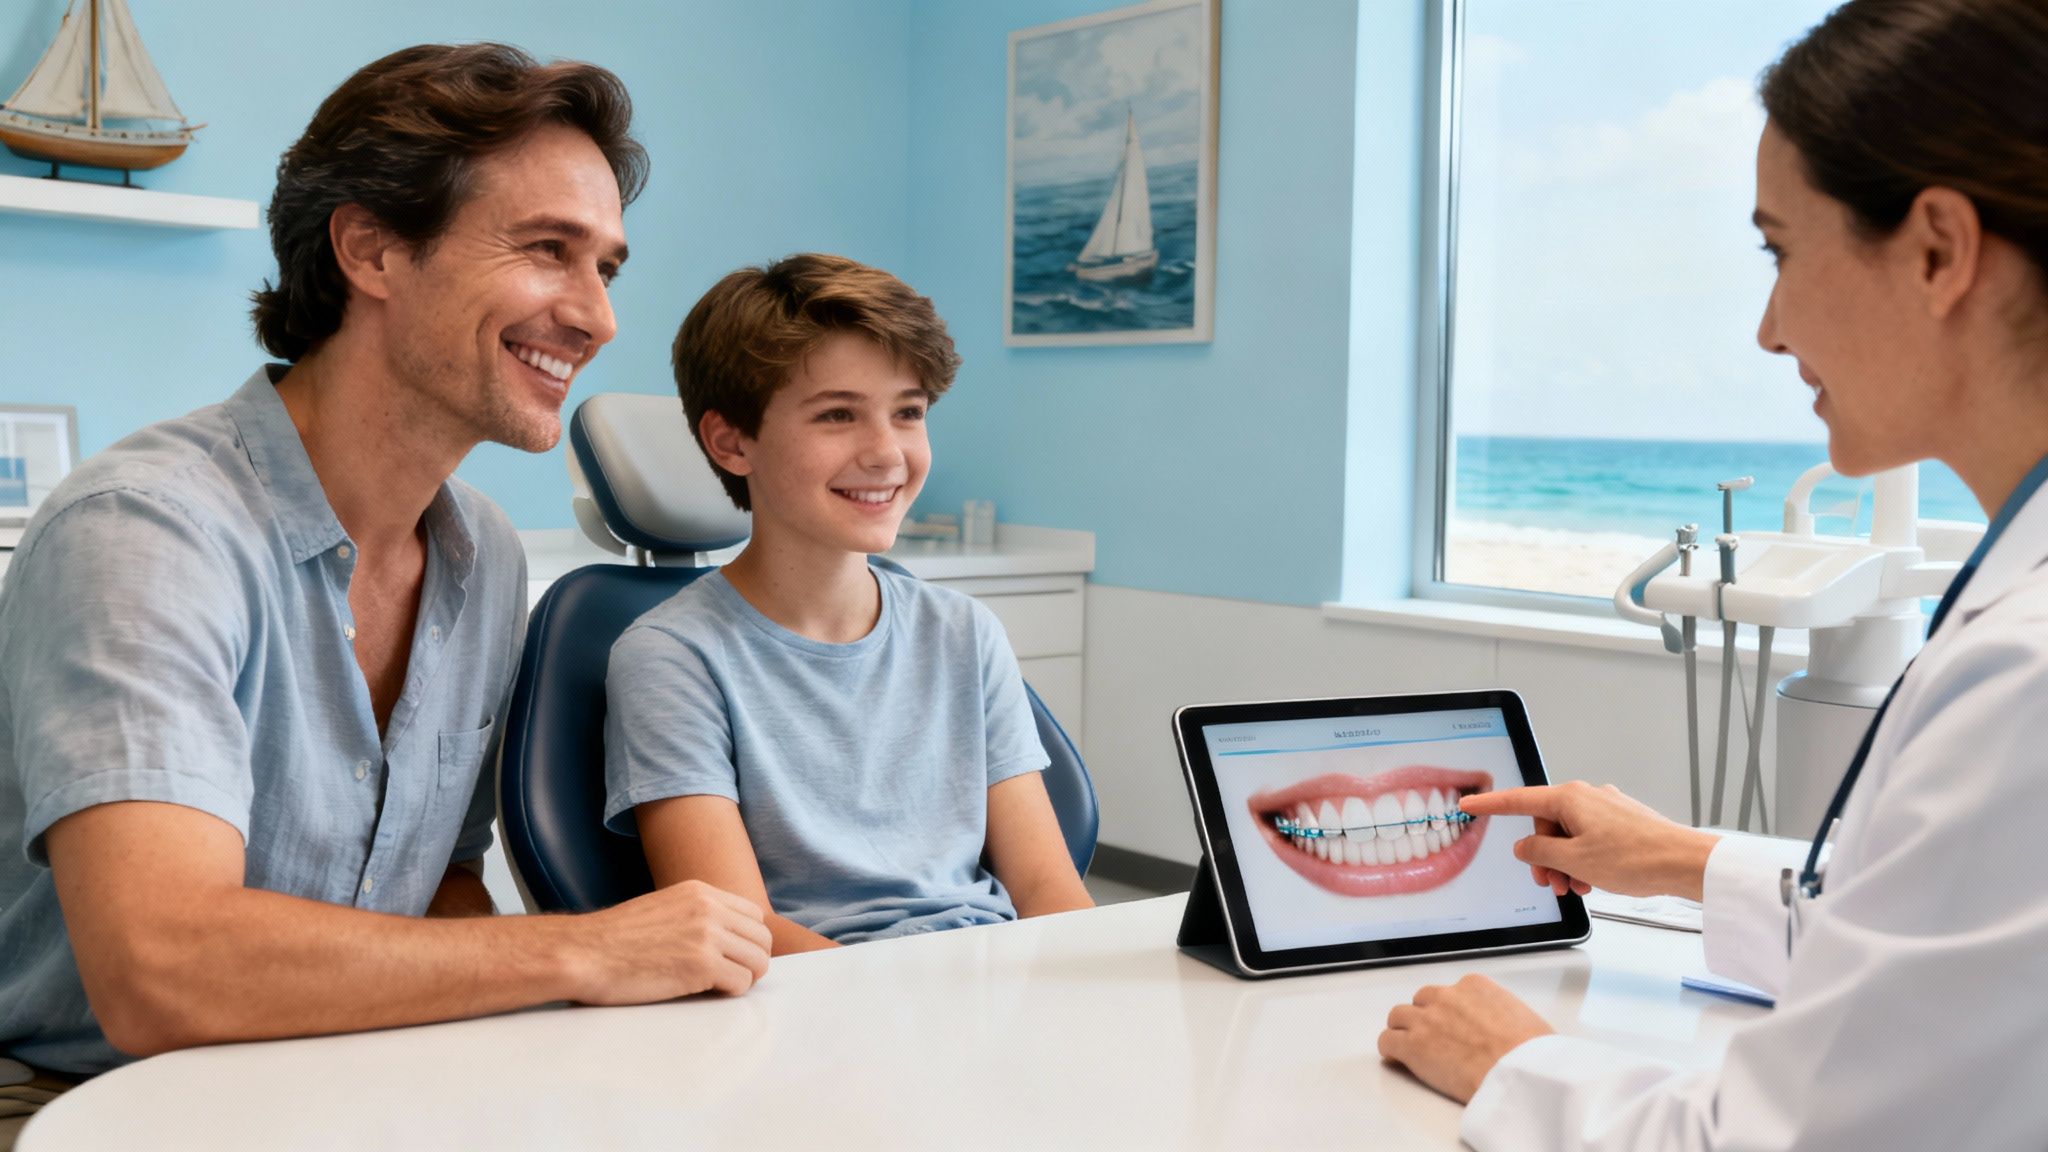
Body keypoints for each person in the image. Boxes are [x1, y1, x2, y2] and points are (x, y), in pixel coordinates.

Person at [0, 43, 771, 1136]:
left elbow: (442, 884)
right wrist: (582, 949)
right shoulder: (147, 534)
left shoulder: (483, 556)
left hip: (343, 1073)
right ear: (369, 249)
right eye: (549, 250)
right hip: (82, 1100)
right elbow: (159, 972)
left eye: (606, 267)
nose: (596, 318)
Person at [1376, 1, 2048, 1147]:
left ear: (1937, 248)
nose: (1767, 330)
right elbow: (1940, 955)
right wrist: (1679, 858)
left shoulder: (2022, 673)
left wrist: (1516, 1066)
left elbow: (1778, 1136)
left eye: (1779, 251)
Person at [603, 253, 1095, 955]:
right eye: (837, 415)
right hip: (812, 1004)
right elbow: (740, 930)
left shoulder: (963, 631)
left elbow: (1049, 890)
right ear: (731, 441)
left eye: (908, 413)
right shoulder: (672, 657)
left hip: (985, 985)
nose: (887, 453)